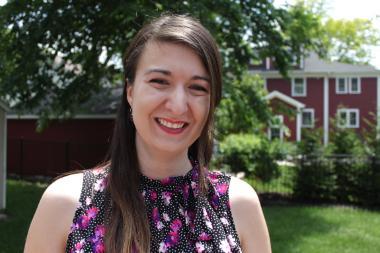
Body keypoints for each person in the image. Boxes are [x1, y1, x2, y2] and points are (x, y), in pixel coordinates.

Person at [24, 14, 271, 253]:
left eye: (197, 87)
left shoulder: (238, 206)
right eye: (160, 81)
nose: (178, 105)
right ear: (130, 92)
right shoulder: (65, 204)